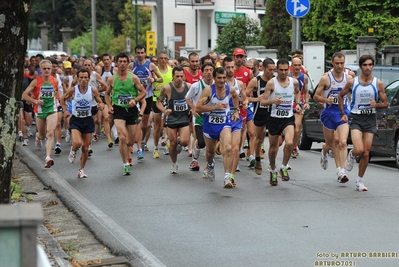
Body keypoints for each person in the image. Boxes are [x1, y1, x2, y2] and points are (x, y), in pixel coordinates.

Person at [338, 54, 388, 191]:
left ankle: (360, 180)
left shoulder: (378, 83)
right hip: (356, 118)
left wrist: (376, 105)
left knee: (366, 152)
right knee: (359, 149)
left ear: (373, 66)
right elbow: (340, 96)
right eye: (365, 65)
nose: (367, 68)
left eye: (370, 65)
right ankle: (352, 154)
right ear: (360, 67)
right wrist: (343, 113)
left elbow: (386, 104)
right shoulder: (352, 82)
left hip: (370, 119)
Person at [195, 67, 240, 189]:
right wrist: (214, 107)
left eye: (224, 78)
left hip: (224, 124)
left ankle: (227, 178)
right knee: (210, 152)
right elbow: (198, 108)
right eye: (219, 78)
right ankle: (210, 164)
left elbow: (236, 97)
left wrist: (236, 111)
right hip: (209, 126)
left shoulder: (229, 89)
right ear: (214, 78)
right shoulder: (208, 90)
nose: (222, 80)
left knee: (228, 148)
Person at [260, 58, 302, 186]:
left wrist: (298, 103)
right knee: (273, 149)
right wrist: (273, 101)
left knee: (289, 143)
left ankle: (283, 167)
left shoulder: (294, 82)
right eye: (281, 70)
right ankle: (273, 169)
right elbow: (263, 101)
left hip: (288, 118)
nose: (284, 72)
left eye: (286, 70)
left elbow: (297, 92)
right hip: (274, 118)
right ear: (277, 70)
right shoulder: (271, 83)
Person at [105, 52, 147, 176]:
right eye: (120, 62)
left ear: (128, 63)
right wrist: (109, 106)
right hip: (118, 110)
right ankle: (125, 164)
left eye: (125, 62)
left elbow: (143, 92)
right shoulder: (112, 79)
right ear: (116, 63)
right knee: (122, 137)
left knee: (130, 141)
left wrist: (135, 100)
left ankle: (128, 153)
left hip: (132, 111)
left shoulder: (133, 77)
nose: (122, 64)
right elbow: (107, 94)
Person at [314, 52, 352, 183]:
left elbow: (353, 93)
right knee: (330, 143)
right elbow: (315, 96)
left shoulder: (349, 77)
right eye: (337, 63)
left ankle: (341, 171)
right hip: (329, 113)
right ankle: (324, 151)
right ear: (332, 63)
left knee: (341, 141)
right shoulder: (326, 78)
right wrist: (326, 99)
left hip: (343, 113)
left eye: (342, 63)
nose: (340, 66)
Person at [61, 69, 104, 178]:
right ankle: (73, 149)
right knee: (77, 143)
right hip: (76, 120)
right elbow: (62, 99)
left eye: (86, 78)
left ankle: (81, 170)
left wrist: (101, 105)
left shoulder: (93, 90)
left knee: (85, 148)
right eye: (81, 78)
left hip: (88, 120)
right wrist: (65, 110)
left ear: (89, 79)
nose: (84, 80)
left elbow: (100, 101)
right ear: (78, 78)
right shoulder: (73, 90)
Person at [22, 59, 60, 168]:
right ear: (40, 70)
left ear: (51, 69)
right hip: (40, 111)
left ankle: (48, 157)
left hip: (52, 109)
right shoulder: (36, 81)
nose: (47, 70)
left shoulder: (55, 80)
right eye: (44, 68)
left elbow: (56, 93)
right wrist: (35, 101)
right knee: (42, 135)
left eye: (49, 68)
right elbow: (25, 95)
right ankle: (38, 137)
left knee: (50, 132)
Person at [156, 66, 191, 173]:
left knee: (185, 142)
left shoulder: (189, 87)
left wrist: (192, 108)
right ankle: (174, 163)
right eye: (177, 76)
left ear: (184, 76)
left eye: (181, 76)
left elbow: (195, 98)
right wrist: (164, 110)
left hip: (184, 117)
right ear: (173, 77)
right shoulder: (167, 88)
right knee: (173, 143)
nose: (179, 78)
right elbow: (158, 102)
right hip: (172, 118)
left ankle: (181, 143)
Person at [245, 58, 276, 175]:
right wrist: (256, 99)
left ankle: (271, 161)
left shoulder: (276, 81)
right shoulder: (255, 81)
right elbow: (245, 97)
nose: (272, 72)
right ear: (263, 68)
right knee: (259, 138)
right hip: (260, 112)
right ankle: (257, 158)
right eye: (269, 70)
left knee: (277, 139)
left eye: (274, 70)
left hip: (273, 112)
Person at [132, 45, 163, 155]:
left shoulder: (151, 65)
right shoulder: (133, 65)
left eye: (142, 53)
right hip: (136, 97)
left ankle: (144, 141)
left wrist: (153, 79)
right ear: (135, 53)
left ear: (145, 53)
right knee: (137, 122)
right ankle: (137, 145)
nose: (140, 55)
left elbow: (161, 79)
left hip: (148, 96)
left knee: (146, 124)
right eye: (138, 53)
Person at [185, 62, 215, 172]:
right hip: (199, 117)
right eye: (206, 70)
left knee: (211, 143)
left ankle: (209, 164)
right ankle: (194, 160)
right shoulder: (196, 86)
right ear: (202, 73)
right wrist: (193, 109)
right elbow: (187, 98)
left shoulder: (217, 85)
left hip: (212, 117)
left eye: (211, 70)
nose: (209, 73)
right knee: (201, 142)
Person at [223, 57, 247, 186]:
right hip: (222, 119)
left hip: (236, 118)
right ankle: (225, 172)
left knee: (235, 149)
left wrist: (246, 103)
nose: (231, 70)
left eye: (232, 67)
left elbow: (245, 98)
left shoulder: (240, 84)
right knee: (226, 149)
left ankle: (230, 177)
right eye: (228, 67)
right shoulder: (219, 84)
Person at [152, 51, 173, 159]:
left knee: (168, 124)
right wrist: (156, 87)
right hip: (157, 99)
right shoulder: (154, 70)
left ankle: (166, 143)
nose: (163, 60)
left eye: (165, 58)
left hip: (168, 100)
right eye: (161, 58)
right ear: (158, 60)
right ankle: (155, 148)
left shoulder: (171, 70)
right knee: (157, 126)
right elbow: (148, 86)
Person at [290, 57, 310, 158]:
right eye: (295, 65)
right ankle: (289, 142)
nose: (297, 67)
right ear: (291, 66)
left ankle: (293, 146)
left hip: (299, 104)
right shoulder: (287, 75)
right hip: (287, 103)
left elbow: (306, 92)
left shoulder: (304, 77)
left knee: (297, 129)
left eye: (299, 65)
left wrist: (306, 102)